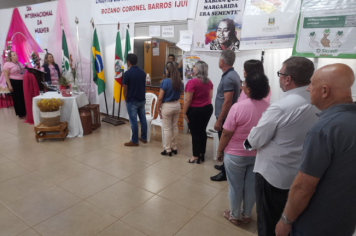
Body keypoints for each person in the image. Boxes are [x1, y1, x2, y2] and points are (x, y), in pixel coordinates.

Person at [275, 64, 356, 236]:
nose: (309, 88)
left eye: (311, 84)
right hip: (345, 220)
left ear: (325, 91)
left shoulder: (324, 130)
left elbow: (304, 187)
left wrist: (285, 220)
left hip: (315, 223)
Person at [244, 57, 319, 236]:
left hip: (272, 176)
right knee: (288, 220)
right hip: (299, 173)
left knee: (268, 222)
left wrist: (249, 140)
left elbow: (255, 140)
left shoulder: (281, 107)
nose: (278, 78)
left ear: (288, 78)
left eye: (280, 73)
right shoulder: (318, 101)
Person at [217, 73, 270, 227]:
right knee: (251, 186)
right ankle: (246, 214)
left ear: (249, 89)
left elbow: (226, 132)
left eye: (244, 84)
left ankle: (235, 215)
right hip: (258, 154)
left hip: (235, 154)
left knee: (235, 186)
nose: (242, 86)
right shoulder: (269, 107)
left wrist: (220, 151)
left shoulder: (238, 107)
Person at [210, 50, 241, 181]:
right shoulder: (233, 74)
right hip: (227, 116)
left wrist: (219, 120)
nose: (218, 61)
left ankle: (225, 172)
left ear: (222, 61)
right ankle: (224, 165)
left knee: (225, 144)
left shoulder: (228, 77)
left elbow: (227, 101)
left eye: (218, 59)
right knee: (226, 144)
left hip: (225, 118)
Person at [183, 61, 213, 163]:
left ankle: (195, 156)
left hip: (195, 110)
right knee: (202, 131)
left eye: (195, 67)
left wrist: (184, 112)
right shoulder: (209, 82)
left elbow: (188, 99)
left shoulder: (192, 82)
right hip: (207, 108)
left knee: (195, 133)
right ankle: (201, 153)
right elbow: (210, 96)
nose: (193, 69)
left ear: (198, 69)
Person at [156, 61, 183, 156]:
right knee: (175, 126)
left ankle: (167, 149)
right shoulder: (179, 81)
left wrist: (157, 108)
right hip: (177, 105)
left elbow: (160, 97)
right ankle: (174, 147)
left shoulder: (165, 81)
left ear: (168, 71)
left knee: (167, 128)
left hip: (167, 106)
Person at [123, 54, 147, 146]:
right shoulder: (143, 72)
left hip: (132, 100)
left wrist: (126, 99)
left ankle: (135, 141)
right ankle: (144, 138)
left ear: (128, 62)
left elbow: (125, 89)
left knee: (133, 121)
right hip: (142, 100)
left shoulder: (127, 73)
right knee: (143, 119)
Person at [3, 51, 26, 119]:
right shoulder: (7, 64)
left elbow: (23, 72)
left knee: (23, 97)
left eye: (16, 54)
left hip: (22, 81)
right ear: (10, 57)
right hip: (13, 82)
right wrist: (9, 85)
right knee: (17, 98)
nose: (16, 55)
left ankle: (24, 112)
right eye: (14, 55)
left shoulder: (19, 63)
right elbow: (6, 75)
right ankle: (20, 113)